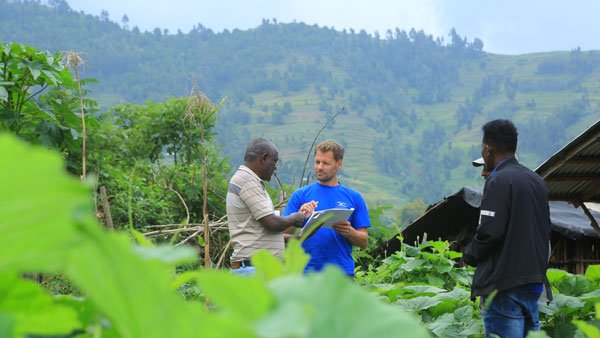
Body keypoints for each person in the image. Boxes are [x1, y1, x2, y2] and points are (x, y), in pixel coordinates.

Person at [463, 120, 552, 337]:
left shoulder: (498, 180)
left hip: (503, 287)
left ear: (488, 149)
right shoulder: (536, 181)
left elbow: (490, 232)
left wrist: (470, 255)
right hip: (533, 285)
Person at [226, 138, 316, 275]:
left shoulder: (250, 181)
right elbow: (271, 223)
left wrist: (299, 237)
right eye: (274, 161)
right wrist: (295, 218)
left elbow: (261, 232)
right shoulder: (247, 180)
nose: (275, 167)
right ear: (264, 158)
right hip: (254, 270)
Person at [283, 140, 370, 276]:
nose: (320, 167)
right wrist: (298, 216)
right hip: (306, 273)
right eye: (317, 162)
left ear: (339, 164)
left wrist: (349, 231)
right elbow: (282, 234)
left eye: (326, 163)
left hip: (341, 274)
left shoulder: (354, 197)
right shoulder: (300, 195)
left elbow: (364, 241)